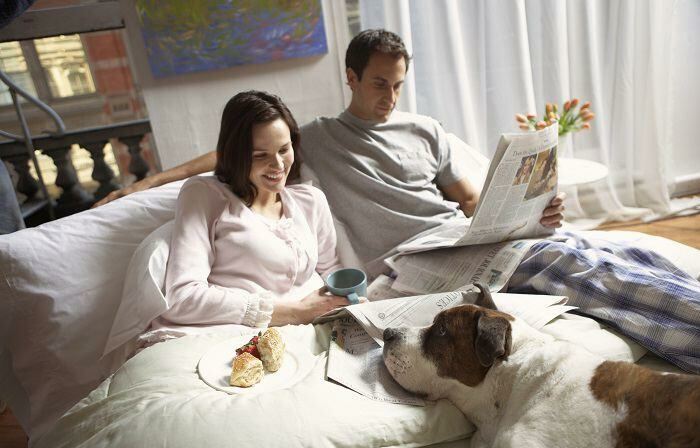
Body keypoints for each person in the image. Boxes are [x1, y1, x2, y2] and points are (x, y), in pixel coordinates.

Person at [96, 30, 699, 373]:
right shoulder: (317, 141)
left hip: (465, 240)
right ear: (352, 79)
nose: (389, 96)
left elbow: (470, 203)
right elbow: (233, 151)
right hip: (417, 259)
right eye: (379, 83)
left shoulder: (425, 130)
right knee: (576, 268)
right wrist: (149, 180)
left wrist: (526, 216)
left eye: (398, 84)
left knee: (599, 251)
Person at [155, 90, 350, 330]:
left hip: (318, 327)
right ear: (235, 154)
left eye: (283, 149)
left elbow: (331, 269)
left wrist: (351, 300)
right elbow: (182, 297)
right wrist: (296, 313)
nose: (278, 165)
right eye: (260, 155)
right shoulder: (205, 195)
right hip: (241, 335)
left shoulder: (311, 201)